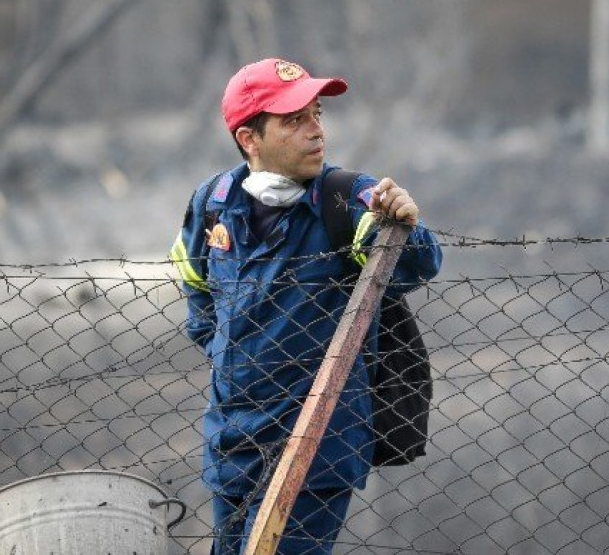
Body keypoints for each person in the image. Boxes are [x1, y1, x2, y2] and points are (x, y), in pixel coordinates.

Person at [170, 58, 442, 555]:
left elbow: (419, 264)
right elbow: (195, 286)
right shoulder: (214, 202)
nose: (316, 131)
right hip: (232, 443)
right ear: (249, 138)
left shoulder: (347, 198)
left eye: (317, 114)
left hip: (316, 443)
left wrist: (404, 222)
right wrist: (225, 352)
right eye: (295, 120)